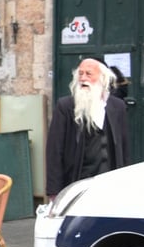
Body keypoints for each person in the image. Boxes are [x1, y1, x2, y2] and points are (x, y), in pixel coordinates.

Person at [46, 57, 130, 198]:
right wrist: (53, 191)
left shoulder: (117, 107)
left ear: (103, 78)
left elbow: (124, 148)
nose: (83, 78)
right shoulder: (66, 107)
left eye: (89, 74)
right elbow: (55, 151)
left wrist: (126, 182)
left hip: (110, 185)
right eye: (80, 74)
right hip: (77, 184)